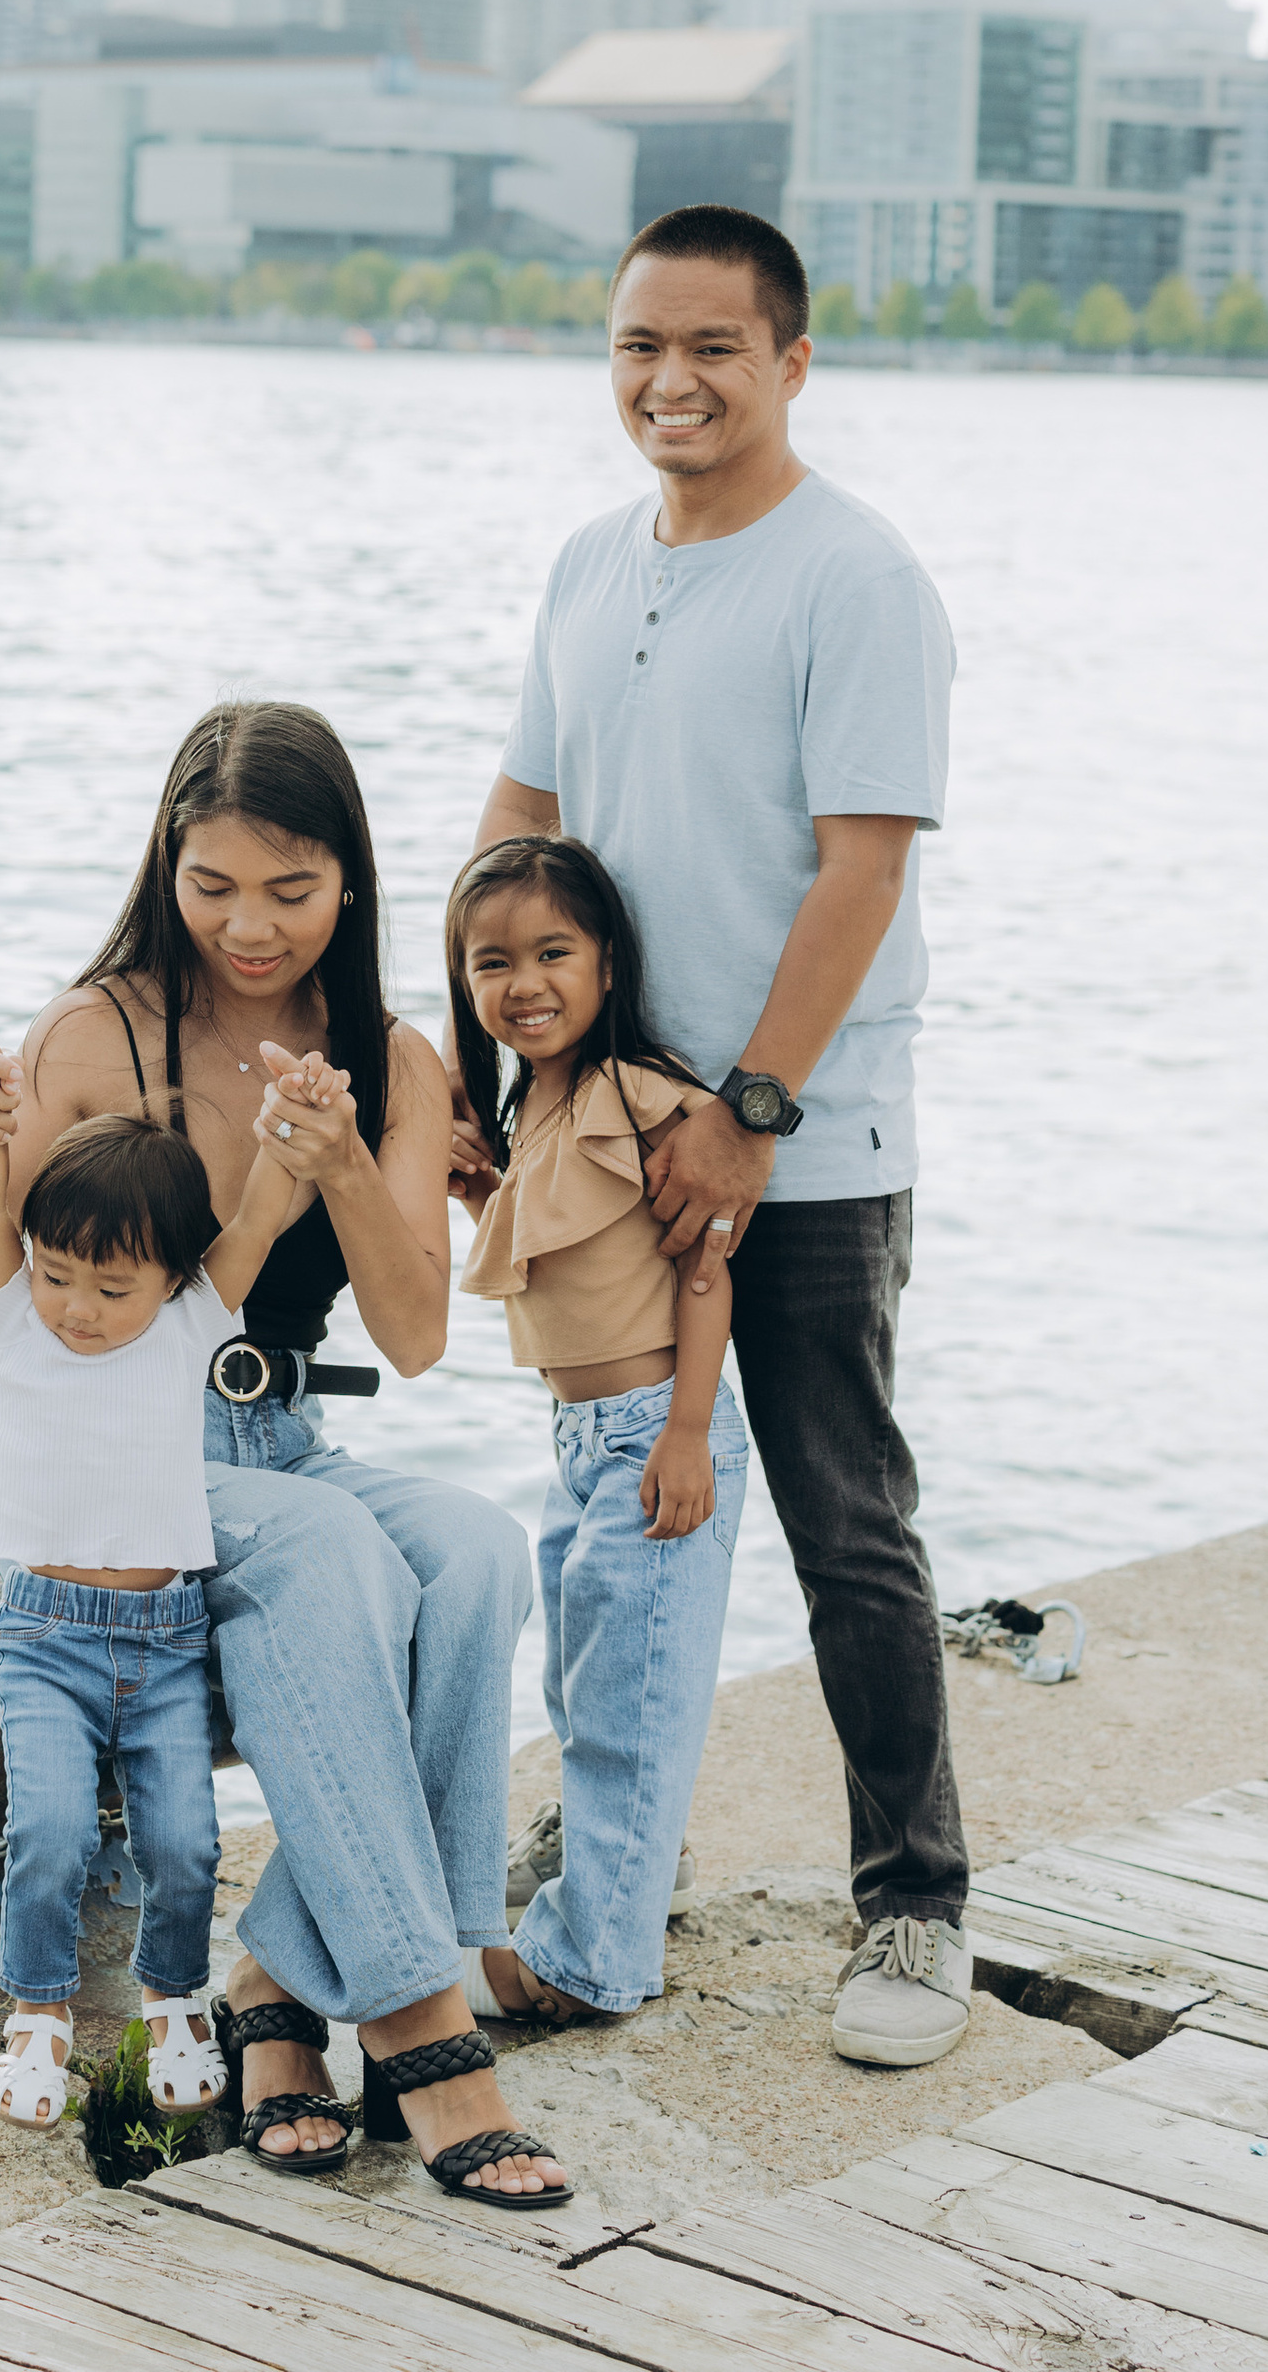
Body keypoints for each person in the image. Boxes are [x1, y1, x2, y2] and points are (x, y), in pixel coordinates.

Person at [0, 700, 570, 2205]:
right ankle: (423, 2019)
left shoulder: (389, 1061)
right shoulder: (99, 1032)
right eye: (213, 888)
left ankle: (279, 1990)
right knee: (333, 1550)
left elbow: (415, 1334)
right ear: (168, 864)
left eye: (291, 889)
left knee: (474, 1549)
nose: (251, 927)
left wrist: (340, 1158)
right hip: (121, 1466)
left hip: (285, 1442)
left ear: (350, 877)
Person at [471, 202, 968, 2067]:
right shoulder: (593, 565)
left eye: (712, 351)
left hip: (803, 1144)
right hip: (608, 1142)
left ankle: (914, 1908)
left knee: (848, 1525)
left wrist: (752, 1116)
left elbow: (860, 874)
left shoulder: (856, 578)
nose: (669, 383)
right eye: (634, 350)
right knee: (614, 1518)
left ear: (792, 363)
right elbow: (523, 820)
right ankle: (611, 1854)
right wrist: (486, 1079)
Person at [449, 833, 747, 2025]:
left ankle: (588, 1968)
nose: (523, 982)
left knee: (631, 1706)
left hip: (651, 1433)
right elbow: (559, 1246)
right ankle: (619, 1894)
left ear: (608, 964)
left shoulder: (639, 1094)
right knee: (587, 1689)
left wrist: (684, 1431)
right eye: (491, 963)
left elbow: (703, 1266)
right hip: (580, 1446)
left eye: (552, 953)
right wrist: (484, 1189)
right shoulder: (544, 1105)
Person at [0, 1106, 288, 2124]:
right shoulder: (12, 1314)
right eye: (56, 1274)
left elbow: (265, 1209)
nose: (76, 1309)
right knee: (49, 1829)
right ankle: (39, 2011)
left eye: (111, 1288)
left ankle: (171, 1997)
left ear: (176, 1277)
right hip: (46, 1636)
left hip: (166, 1642)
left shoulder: (192, 1319)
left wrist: (290, 1125)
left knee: (184, 1841)